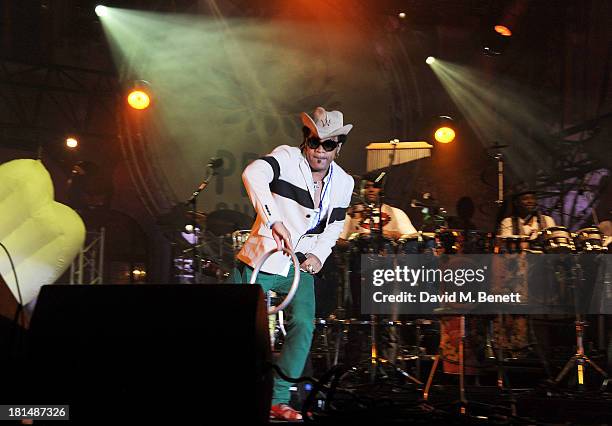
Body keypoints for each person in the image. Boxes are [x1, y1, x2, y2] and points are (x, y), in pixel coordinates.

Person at [232, 107, 354, 421]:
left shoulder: (343, 183)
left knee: (304, 325)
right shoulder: (286, 158)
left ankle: (279, 398)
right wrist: (274, 221)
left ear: (338, 147)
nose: (320, 151)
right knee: (235, 326)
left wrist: (320, 254)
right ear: (305, 140)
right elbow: (251, 175)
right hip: (263, 258)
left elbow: (334, 226)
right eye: (314, 142)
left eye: (328, 145)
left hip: (299, 268)